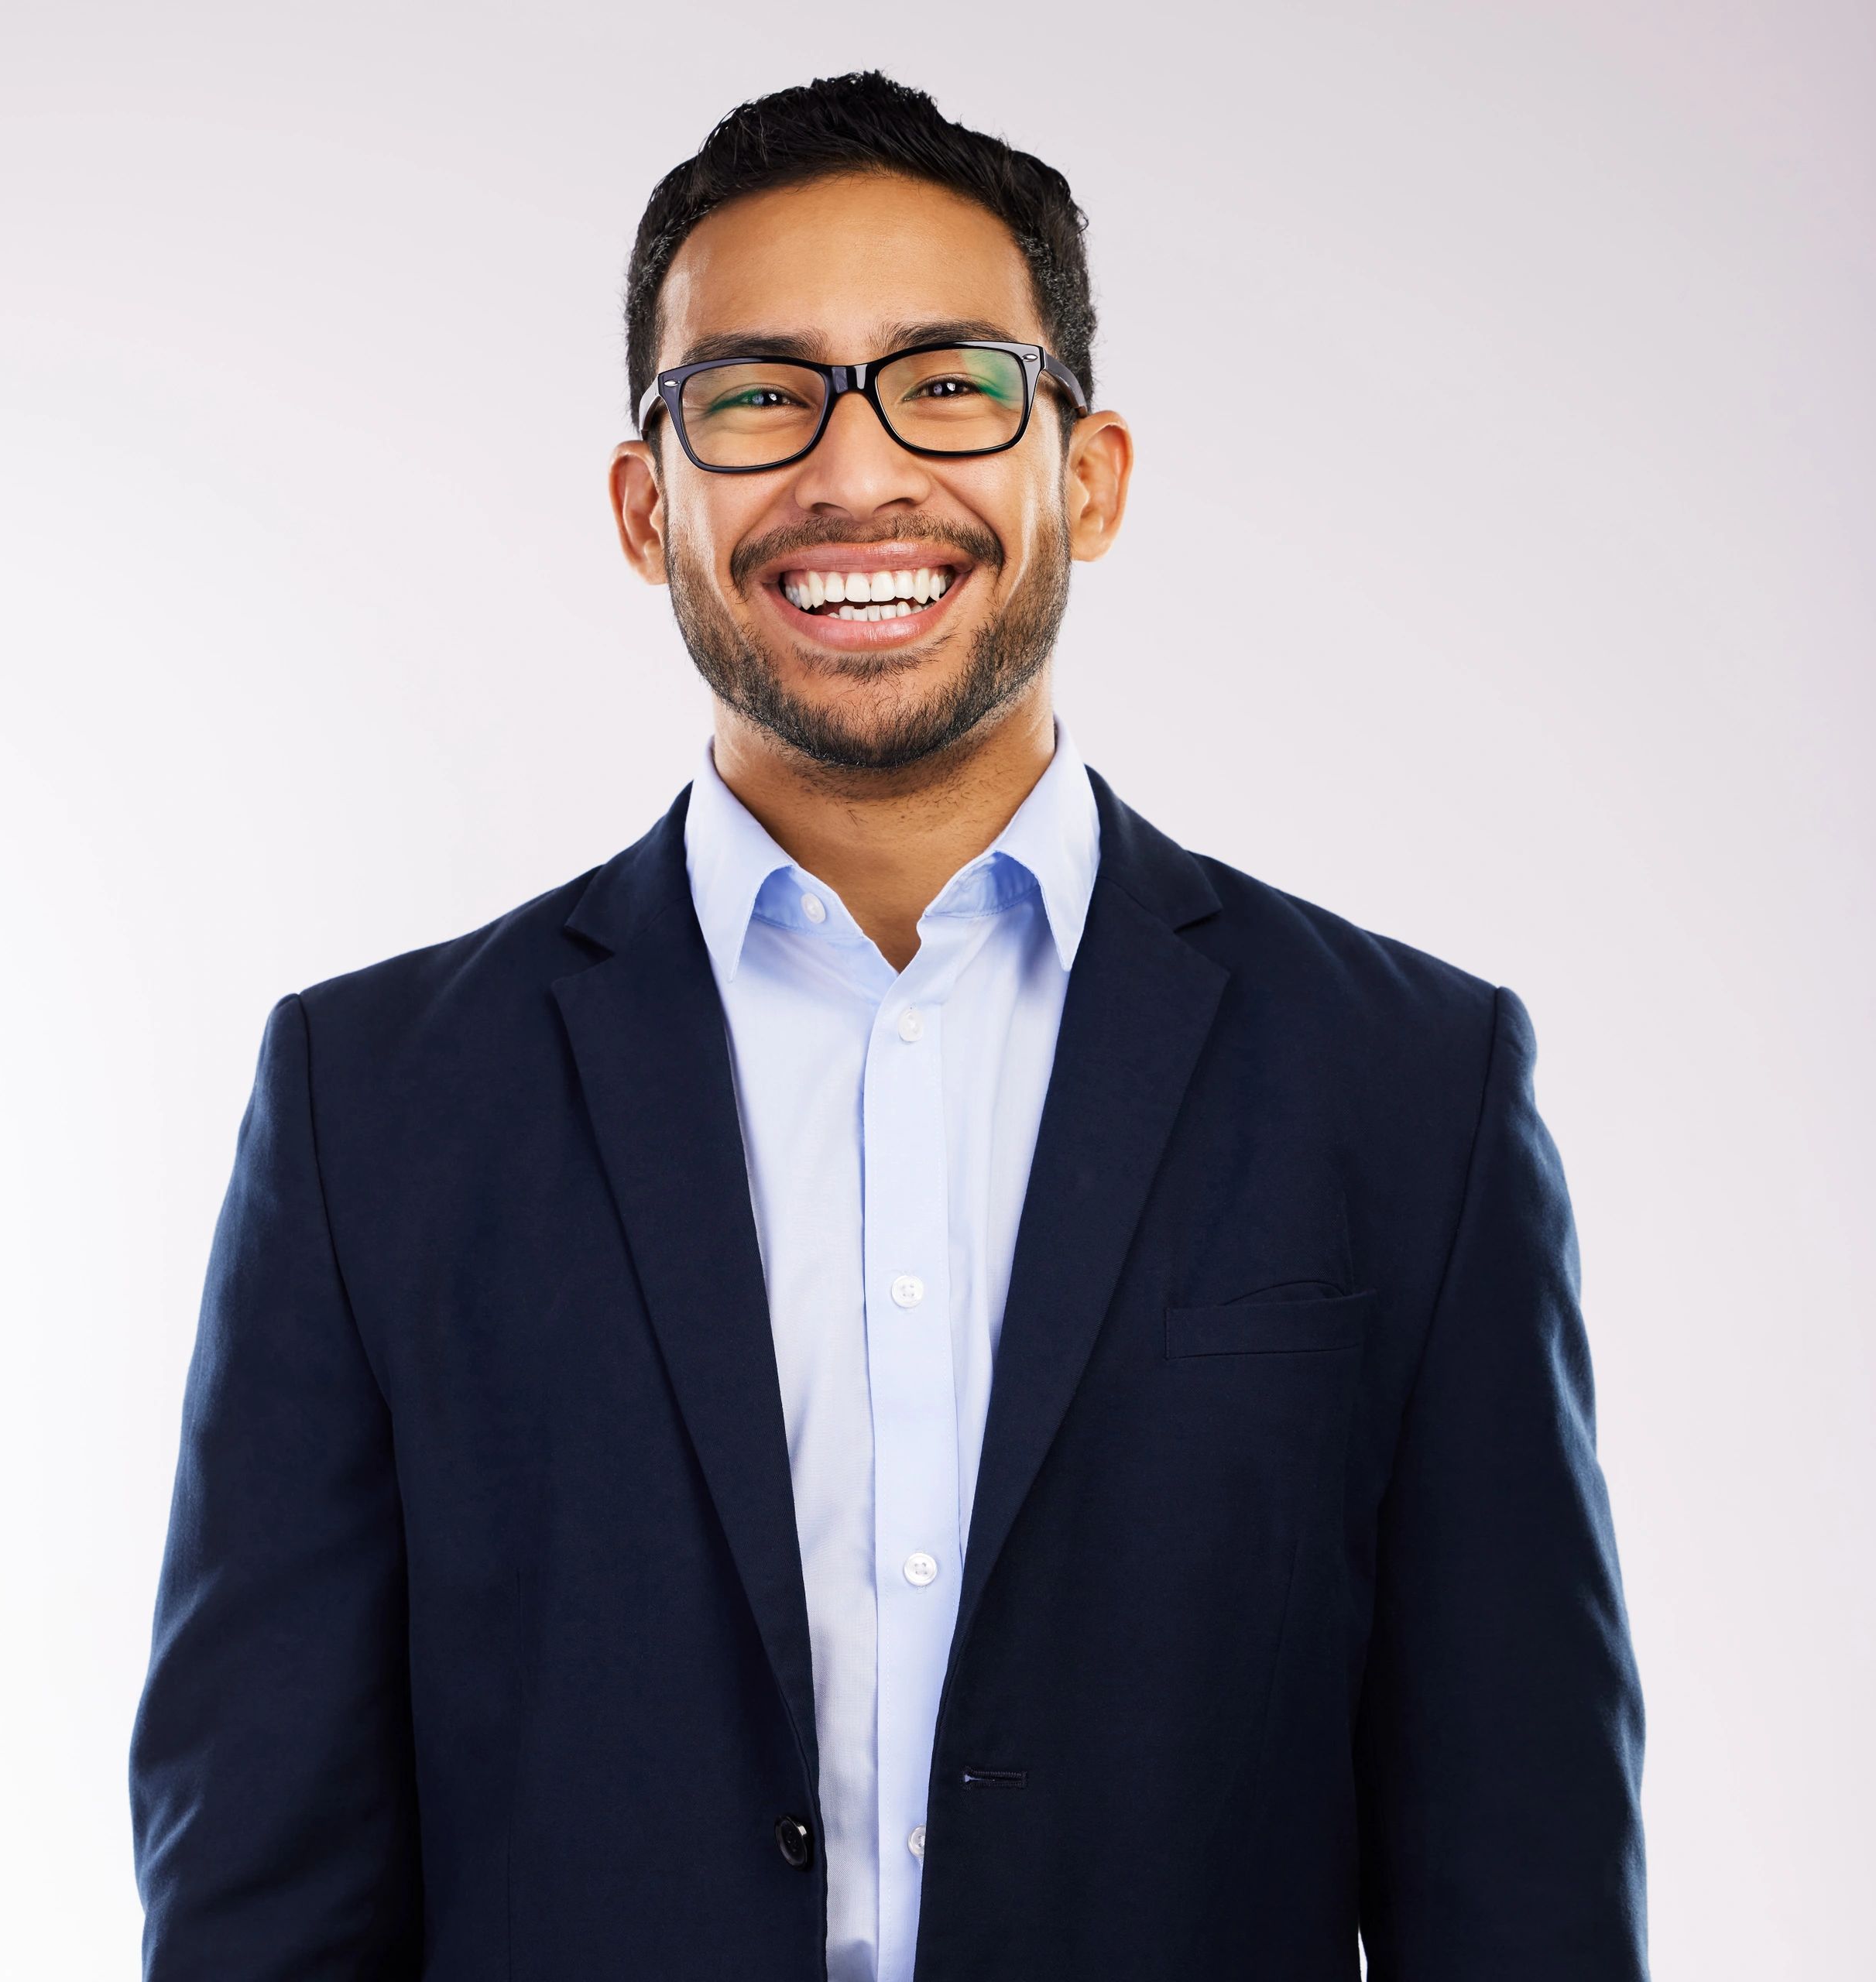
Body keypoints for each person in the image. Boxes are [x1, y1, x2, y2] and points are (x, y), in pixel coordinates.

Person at [129, 70, 1648, 1981]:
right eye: (759, 395)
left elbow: (1521, 1894)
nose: (855, 475)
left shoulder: (1405, 1091)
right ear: (641, 500)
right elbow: (258, 1888)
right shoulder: (376, 1106)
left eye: (947, 381)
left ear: (1082, 474)